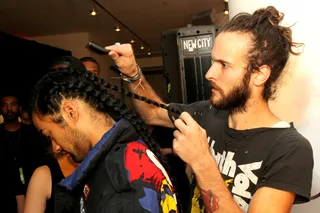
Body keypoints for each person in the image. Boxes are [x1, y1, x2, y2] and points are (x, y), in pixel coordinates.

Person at [105, 6, 314, 213]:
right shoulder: (207, 113)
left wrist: (201, 161)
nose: (209, 73)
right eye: (213, 61)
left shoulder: (289, 149)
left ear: (259, 74)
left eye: (224, 65)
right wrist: (132, 71)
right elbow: (151, 112)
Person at [29, 68, 178, 212]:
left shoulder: (120, 186)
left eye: (50, 134)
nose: (56, 147)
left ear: (70, 112)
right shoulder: (126, 153)